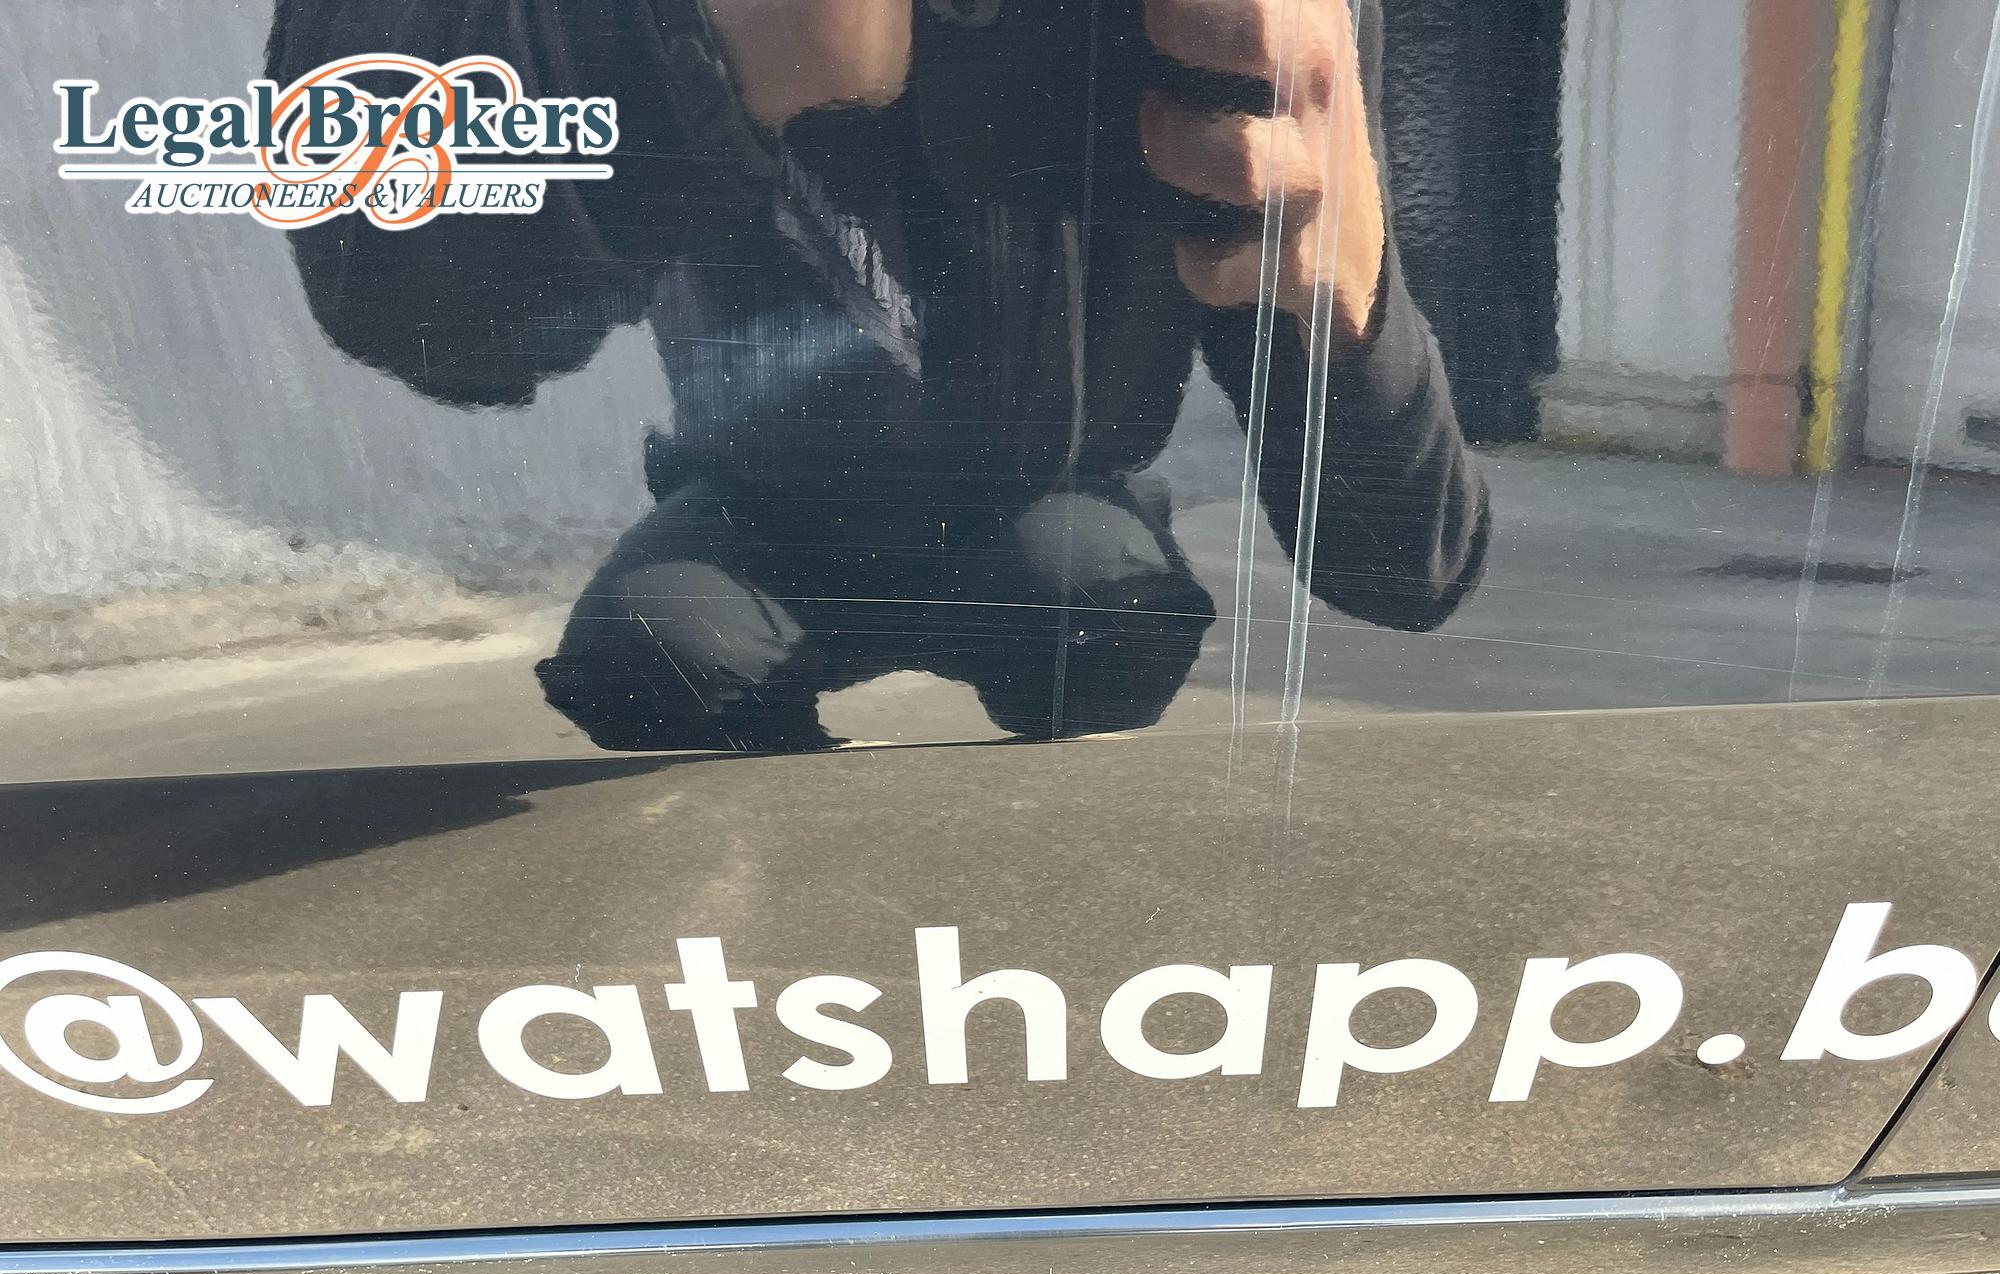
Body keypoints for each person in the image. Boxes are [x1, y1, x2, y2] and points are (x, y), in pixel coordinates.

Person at [270, 0, 1489, 750]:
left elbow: (1405, 562)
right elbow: (413, 304)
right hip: (779, 508)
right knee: (661, 663)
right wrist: (703, 55)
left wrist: (1346, 298)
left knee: (1093, 621)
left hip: (1018, 515)